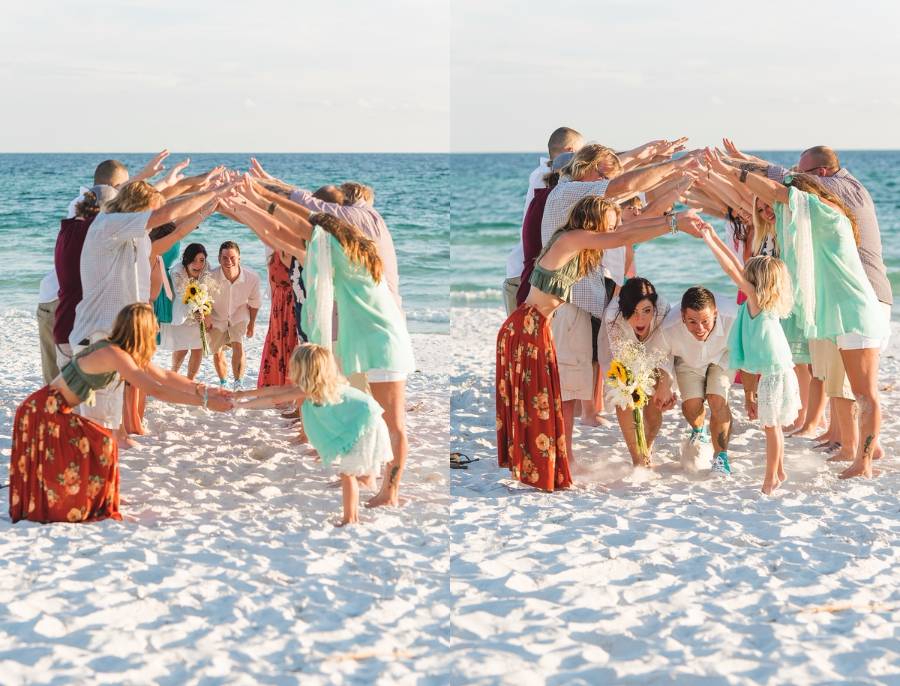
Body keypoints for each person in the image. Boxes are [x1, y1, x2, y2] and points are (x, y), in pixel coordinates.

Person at [219, 181, 415, 509]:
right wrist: (242, 208)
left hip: (382, 341)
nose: (306, 235)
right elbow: (279, 235)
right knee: (376, 415)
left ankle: (390, 490)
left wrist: (251, 200)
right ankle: (373, 476)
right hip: (366, 341)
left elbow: (286, 225)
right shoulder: (348, 248)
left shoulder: (336, 249)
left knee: (393, 422)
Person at [497, 196, 705, 490]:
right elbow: (624, 235)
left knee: (544, 402)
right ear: (593, 221)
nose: (613, 228)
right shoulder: (571, 239)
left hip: (538, 327)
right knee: (539, 403)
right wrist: (675, 223)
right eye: (609, 222)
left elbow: (629, 230)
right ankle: (542, 472)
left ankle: (546, 469)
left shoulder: (582, 250)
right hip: (527, 327)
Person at [712, 151, 888, 480]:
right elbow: (777, 192)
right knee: (854, 391)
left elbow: (777, 191)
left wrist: (726, 168)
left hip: (856, 312)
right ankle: (861, 453)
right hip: (840, 314)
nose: (783, 208)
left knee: (864, 393)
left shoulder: (825, 210)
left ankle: (864, 460)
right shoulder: (816, 215)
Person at [9, 303, 232, 524]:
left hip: (50, 409)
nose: (156, 329)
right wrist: (205, 402)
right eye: (153, 325)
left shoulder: (121, 352)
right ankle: (101, 497)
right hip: (43, 411)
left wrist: (204, 389)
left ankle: (103, 495)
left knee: (102, 441)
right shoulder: (112, 352)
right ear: (141, 329)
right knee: (102, 441)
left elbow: (163, 376)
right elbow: (156, 390)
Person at [540, 143, 702, 446]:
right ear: (586, 167)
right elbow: (625, 196)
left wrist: (678, 179)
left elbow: (633, 211)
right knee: (569, 388)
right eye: (602, 174)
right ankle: (565, 457)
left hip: (594, 301)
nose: (607, 185)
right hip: (571, 302)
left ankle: (593, 453)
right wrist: (677, 168)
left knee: (612, 377)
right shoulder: (568, 192)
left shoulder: (579, 196)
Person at [68, 179, 227, 442]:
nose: (152, 220)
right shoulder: (108, 226)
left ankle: (119, 443)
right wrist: (213, 191)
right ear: (138, 208)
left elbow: (173, 224)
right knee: (98, 429)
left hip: (118, 336)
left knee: (110, 422)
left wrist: (206, 207)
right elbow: (165, 213)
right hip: (95, 339)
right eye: (149, 212)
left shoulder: (136, 237)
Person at [237, 344, 393, 526]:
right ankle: (353, 512)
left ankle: (351, 518)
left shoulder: (312, 389)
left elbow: (275, 398)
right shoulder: (320, 385)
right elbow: (276, 391)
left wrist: (241, 405)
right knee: (349, 472)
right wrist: (243, 394)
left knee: (347, 473)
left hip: (364, 425)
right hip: (361, 421)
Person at [701, 227, 800, 494]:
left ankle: (771, 478)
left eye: (747, 277)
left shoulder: (757, 302)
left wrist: (710, 239)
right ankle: (779, 471)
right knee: (772, 426)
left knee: (771, 428)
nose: (741, 278)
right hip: (777, 373)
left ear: (757, 283)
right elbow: (735, 267)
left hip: (776, 375)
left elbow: (730, 269)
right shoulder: (763, 304)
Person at [504, 127, 585, 314]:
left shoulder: (545, 174)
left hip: (533, 275)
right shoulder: (544, 177)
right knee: (523, 341)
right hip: (523, 277)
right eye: (582, 153)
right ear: (570, 152)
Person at [657, 287, 737, 473]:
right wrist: (664, 386)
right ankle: (699, 430)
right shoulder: (669, 327)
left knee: (717, 400)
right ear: (682, 316)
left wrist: (749, 392)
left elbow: (744, 348)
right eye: (692, 321)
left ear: (715, 313)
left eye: (705, 321)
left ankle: (720, 457)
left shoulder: (733, 316)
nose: (699, 328)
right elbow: (662, 356)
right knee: (692, 406)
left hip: (723, 355)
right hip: (688, 359)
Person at [598, 278, 676, 467]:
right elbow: (624, 361)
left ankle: (646, 451)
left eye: (646, 311)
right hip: (622, 352)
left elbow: (666, 351)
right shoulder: (613, 317)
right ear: (624, 310)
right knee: (624, 396)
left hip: (657, 351)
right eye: (633, 312)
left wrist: (665, 384)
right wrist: (633, 387)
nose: (640, 319)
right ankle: (637, 460)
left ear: (654, 307)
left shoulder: (664, 309)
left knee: (654, 398)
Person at [207, 241, 261, 390]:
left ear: (239, 258)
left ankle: (238, 383)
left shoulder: (252, 278)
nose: (228, 261)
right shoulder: (209, 277)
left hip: (239, 315)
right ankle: (224, 382)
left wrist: (252, 324)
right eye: (224, 258)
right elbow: (203, 300)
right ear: (219, 259)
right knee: (218, 352)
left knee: (238, 345)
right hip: (217, 316)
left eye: (232, 257)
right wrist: (206, 317)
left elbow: (255, 304)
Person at [161, 243, 210, 379]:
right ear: (186, 260)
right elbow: (182, 293)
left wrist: (203, 310)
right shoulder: (177, 271)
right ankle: (172, 377)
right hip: (182, 313)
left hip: (199, 314)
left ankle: (190, 381)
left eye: (201, 260)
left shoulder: (206, 267)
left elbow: (206, 288)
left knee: (197, 348)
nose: (198, 265)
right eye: (194, 260)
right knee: (181, 349)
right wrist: (195, 309)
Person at [258, 249, 299, 387]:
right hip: (278, 308)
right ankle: (280, 387)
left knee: (293, 343)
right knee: (277, 343)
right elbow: (272, 283)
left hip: (294, 305)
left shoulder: (298, 252)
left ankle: (293, 389)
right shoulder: (273, 255)